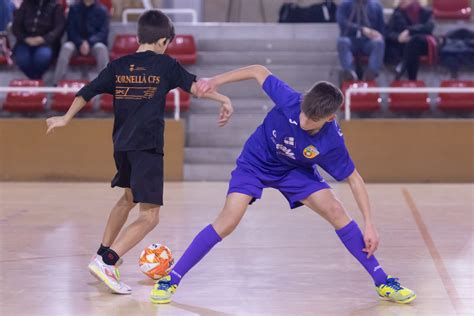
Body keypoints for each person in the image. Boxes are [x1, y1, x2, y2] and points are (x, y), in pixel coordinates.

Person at [149, 65, 417, 305]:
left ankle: (382, 280)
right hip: (256, 161)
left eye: (312, 120)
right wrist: (216, 80)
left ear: (329, 119)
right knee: (229, 220)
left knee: (335, 210)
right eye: (304, 112)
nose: (303, 121)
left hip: (295, 170)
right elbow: (258, 70)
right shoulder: (291, 100)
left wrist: (369, 223)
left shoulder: (331, 140)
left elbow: (354, 179)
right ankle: (171, 279)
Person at [45, 10, 233, 295]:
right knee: (150, 216)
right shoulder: (166, 65)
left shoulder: (118, 65)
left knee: (128, 198)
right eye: (167, 43)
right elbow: (196, 88)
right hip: (147, 146)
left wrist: (65, 118)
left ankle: (101, 254)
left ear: (138, 37)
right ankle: (108, 263)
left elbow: (87, 90)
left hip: (122, 145)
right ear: (162, 41)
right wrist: (223, 98)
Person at [53, 0, 110, 84]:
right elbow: (70, 30)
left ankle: (106, 84)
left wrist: (89, 42)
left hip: (94, 44)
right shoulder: (73, 8)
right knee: (66, 47)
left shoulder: (102, 10)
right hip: (76, 43)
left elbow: (103, 33)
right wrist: (80, 42)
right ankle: (56, 85)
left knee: (102, 48)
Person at [12, 0, 65, 79]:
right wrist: (25, 39)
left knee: (42, 58)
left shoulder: (56, 6)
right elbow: (16, 27)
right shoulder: (26, 4)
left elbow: (59, 28)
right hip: (25, 41)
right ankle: (35, 80)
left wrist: (43, 39)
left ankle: (35, 80)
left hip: (47, 43)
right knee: (22, 59)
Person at [385, 0, 434, 80]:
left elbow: (429, 28)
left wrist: (409, 31)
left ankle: (402, 67)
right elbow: (388, 32)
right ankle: (412, 79)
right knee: (412, 46)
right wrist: (398, 38)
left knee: (415, 40)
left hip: (422, 45)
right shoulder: (397, 13)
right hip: (404, 46)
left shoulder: (426, 12)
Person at [336, 0, 385, 81]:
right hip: (350, 39)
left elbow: (382, 28)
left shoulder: (376, 5)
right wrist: (361, 29)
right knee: (342, 41)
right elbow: (342, 22)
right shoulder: (344, 4)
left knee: (379, 42)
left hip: (369, 41)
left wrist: (378, 35)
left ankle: (371, 73)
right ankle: (349, 72)